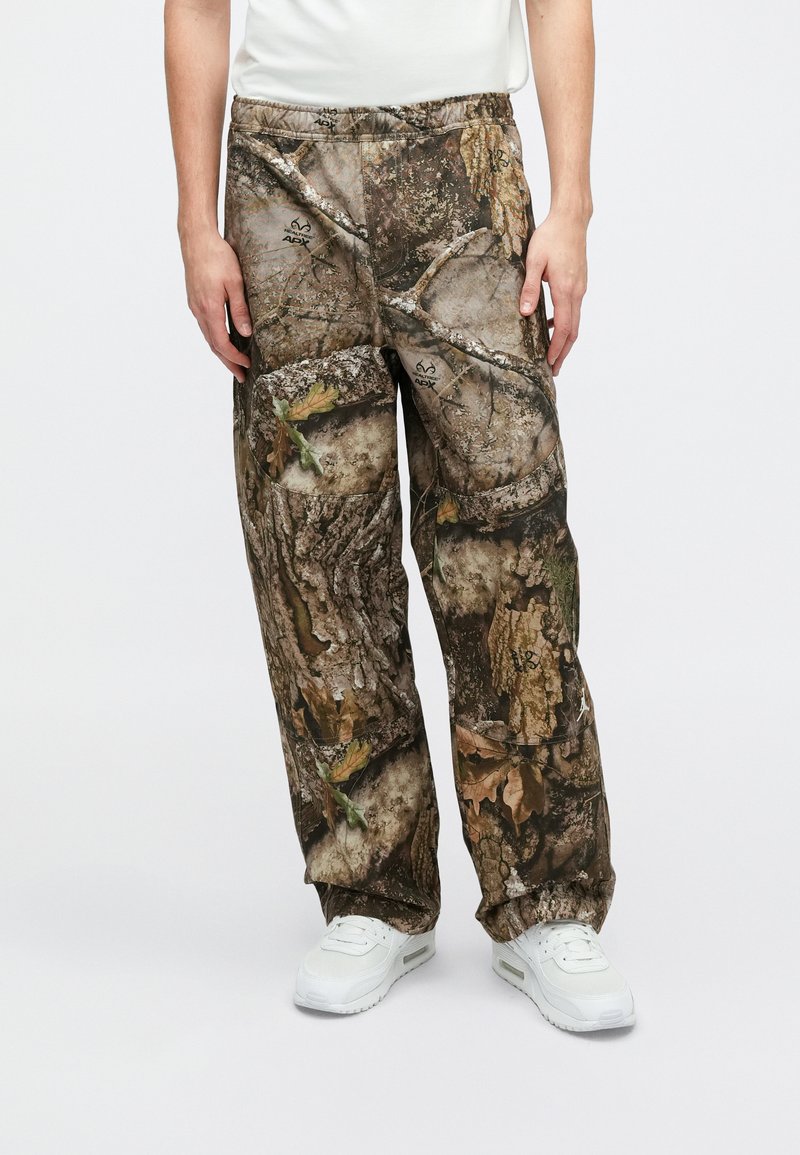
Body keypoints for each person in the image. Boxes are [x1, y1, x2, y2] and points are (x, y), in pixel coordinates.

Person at [164, 0, 635, 1031]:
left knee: (507, 541)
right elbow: (195, 7)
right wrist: (196, 225)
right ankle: (372, 895)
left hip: (464, 156)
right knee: (317, 554)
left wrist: (571, 208)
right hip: (282, 167)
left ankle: (547, 901)